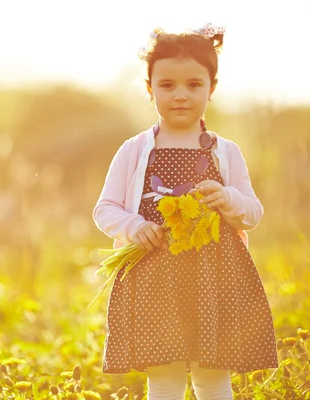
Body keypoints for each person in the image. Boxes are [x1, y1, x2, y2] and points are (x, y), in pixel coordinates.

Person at [91, 23, 279, 399]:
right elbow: (105, 209)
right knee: (164, 377)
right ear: (149, 89)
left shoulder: (226, 152)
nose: (180, 95)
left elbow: (253, 213)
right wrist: (133, 225)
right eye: (167, 85)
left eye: (194, 85)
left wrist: (228, 198)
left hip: (216, 277)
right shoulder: (134, 149)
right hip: (154, 276)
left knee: (213, 378)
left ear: (212, 88)